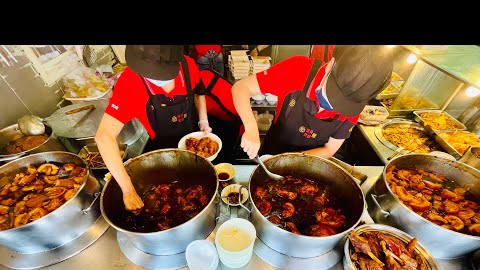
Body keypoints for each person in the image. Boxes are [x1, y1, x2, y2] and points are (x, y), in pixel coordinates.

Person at [95, 45, 211, 213]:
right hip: (163, 156)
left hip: (193, 146)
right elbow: (104, 137)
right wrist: (128, 190)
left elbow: (199, 92)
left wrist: (203, 119)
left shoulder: (188, 64)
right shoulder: (130, 82)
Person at [231, 45, 393, 159]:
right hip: (272, 151)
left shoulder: (355, 103)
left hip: (308, 165)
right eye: (333, 95)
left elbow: (330, 149)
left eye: (343, 104)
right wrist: (251, 127)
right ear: (331, 65)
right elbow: (240, 88)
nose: (328, 107)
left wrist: (294, 161)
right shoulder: (298, 68)